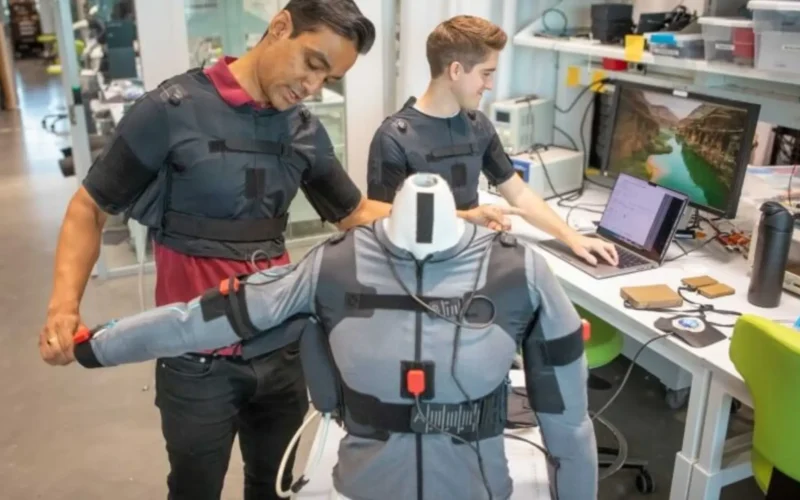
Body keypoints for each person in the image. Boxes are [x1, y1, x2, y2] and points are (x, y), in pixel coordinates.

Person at [38, 2, 511, 499]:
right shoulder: (171, 109)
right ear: (280, 27)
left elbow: (352, 212)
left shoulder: (303, 129)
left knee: (275, 486)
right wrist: (63, 306)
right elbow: (88, 207)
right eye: (312, 63)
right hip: (195, 360)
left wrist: (458, 218)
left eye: (329, 79)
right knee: (195, 488)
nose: (313, 86)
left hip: (281, 351)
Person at [65, 173, 598, 500]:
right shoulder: (334, 266)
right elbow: (200, 319)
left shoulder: (520, 273)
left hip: (478, 490)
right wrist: (97, 346)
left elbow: (569, 427)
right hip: (364, 488)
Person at [367, 15, 619, 267]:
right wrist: (466, 218)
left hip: (472, 256)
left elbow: (518, 192)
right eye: (485, 74)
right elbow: (381, 223)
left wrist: (572, 237)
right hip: (418, 271)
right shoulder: (393, 138)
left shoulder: (478, 126)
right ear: (455, 70)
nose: (489, 85)